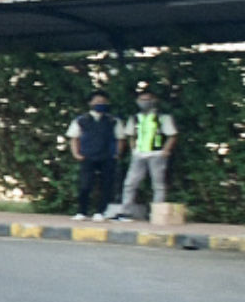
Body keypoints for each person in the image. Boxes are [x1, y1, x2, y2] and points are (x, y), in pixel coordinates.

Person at [109, 83, 178, 220]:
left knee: (158, 184)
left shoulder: (162, 118)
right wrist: (133, 149)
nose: (144, 102)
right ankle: (125, 211)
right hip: (139, 153)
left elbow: (172, 135)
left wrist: (165, 151)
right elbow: (130, 135)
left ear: (154, 100)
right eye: (142, 99)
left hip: (156, 153)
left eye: (147, 99)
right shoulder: (135, 118)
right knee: (130, 183)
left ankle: (157, 213)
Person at [66, 90, 121, 220]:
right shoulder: (81, 120)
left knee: (106, 185)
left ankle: (101, 212)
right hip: (87, 156)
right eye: (97, 101)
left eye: (103, 102)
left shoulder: (113, 120)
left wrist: (117, 154)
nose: (100, 104)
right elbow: (74, 138)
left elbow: (120, 138)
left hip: (107, 156)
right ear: (90, 103)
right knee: (85, 184)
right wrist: (76, 153)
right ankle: (82, 212)